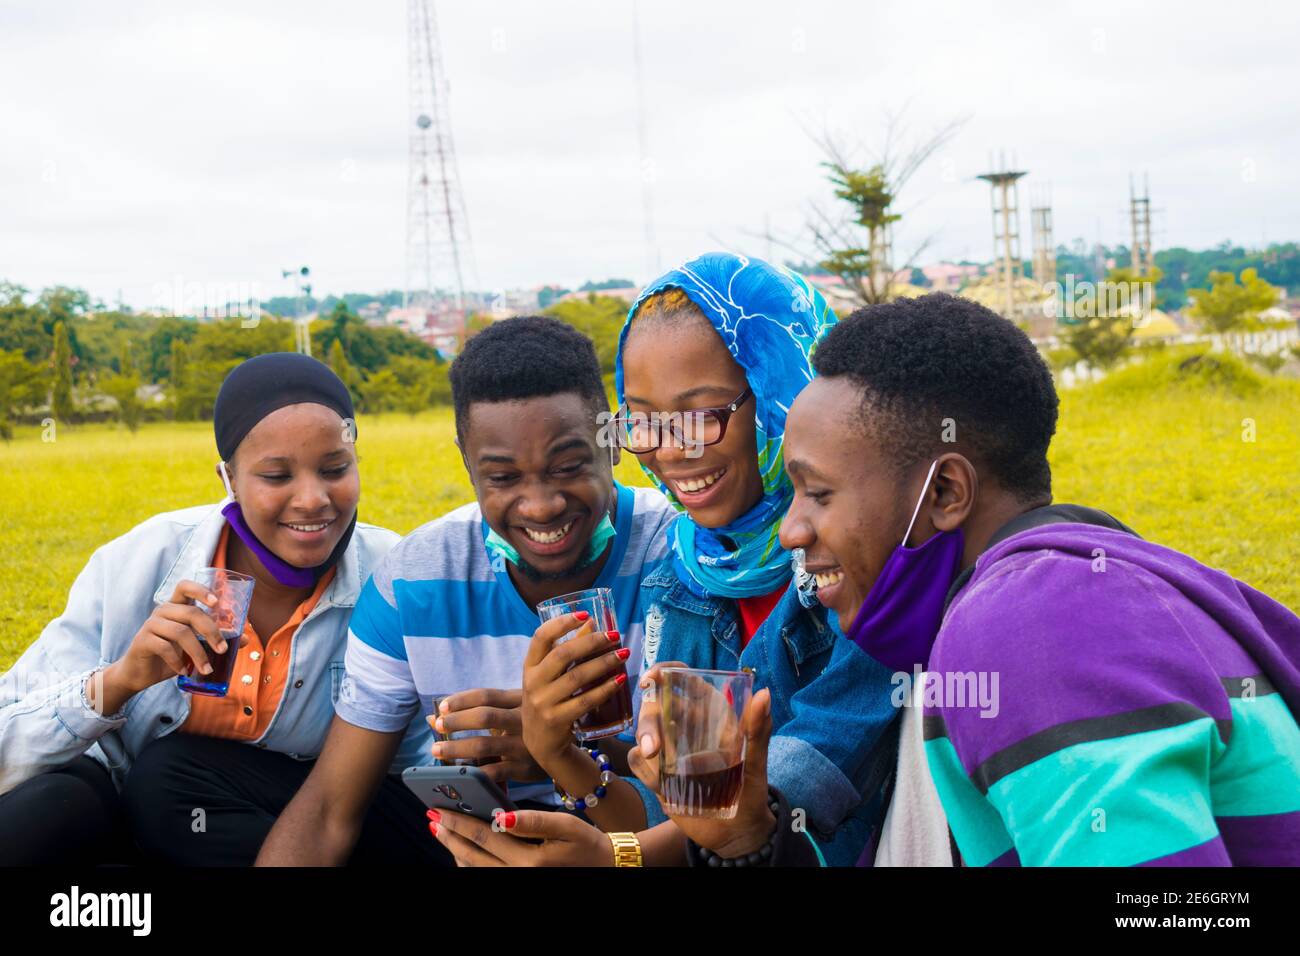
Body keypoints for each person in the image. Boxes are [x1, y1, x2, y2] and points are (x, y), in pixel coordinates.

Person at [771, 292, 1300, 866]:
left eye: (819, 494)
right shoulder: (1084, 584)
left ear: (945, 492)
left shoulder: (1028, 624)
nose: (791, 531)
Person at [431, 253, 901, 866]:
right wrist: (560, 752)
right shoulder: (682, 580)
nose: (669, 452)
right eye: (644, 421)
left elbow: (769, 816)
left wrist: (612, 860)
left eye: (701, 416)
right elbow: (680, 816)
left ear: (782, 393)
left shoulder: (873, 568)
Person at [256, 315, 678, 865]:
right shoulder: (415, 580)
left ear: (613, 441)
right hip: (467, 845)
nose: (540, 505)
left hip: (636, 849)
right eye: (502, 478)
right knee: (175, 779)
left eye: (569, 466)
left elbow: (698, 809)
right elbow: (332, 806)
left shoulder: (677, 557)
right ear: (466, 462)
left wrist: (560, 752)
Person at [0, 353, 438, 866]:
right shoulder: (139, 562)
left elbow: (417, 763)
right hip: (129, 811)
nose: (313, 499)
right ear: (227, 477)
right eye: (276, 476)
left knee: (167, 781)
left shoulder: (395, 574)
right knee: (46, 811)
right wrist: (120, 680)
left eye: (335, 469)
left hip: (281, 822)